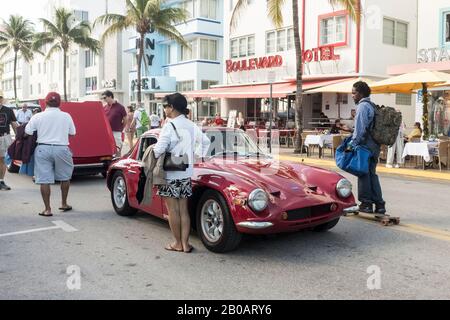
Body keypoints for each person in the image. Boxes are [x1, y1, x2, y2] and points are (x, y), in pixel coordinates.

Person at [153, 93, 210, 253]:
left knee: (173, 211)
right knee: (183, 210)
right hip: (185, 172)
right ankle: (186, 244)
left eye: (165, 106)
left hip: (170, 173)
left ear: (171, 108)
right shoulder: (191, 125)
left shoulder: (169, 126)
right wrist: (195, 156)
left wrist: (153, 151)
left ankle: (177, 243)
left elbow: (159, 150)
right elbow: (206, 141)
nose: (164, 109)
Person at [25, 92, 76, 217]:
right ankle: (64, 203)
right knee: (65, 177)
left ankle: (47, 209)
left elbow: (28, 131)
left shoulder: (38, 116)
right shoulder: (66, 116)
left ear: (46, 102)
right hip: (62, 148)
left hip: (43, 148)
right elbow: (73, 133)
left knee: (44, 180)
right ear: (59, 103)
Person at [351, 81, 386, 214]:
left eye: (354, 93)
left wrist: (352, 145)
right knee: (372, 174)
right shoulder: (372, 105)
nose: (352, 95)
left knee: (363, 174)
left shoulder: (362, 107)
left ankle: (366, 203)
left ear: (360, 93)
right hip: (374, 146)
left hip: (365, 146)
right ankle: (380, 204)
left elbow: (360, 130)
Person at [0, 96, 19, 190]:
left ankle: (1, 182)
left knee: (2, 159)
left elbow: (14, 124)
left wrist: (18, 136)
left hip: (3, 137)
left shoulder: (8, 110)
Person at [102, 90, 127, 157]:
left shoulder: (120, 107)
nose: (104, 100)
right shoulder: (104, 107)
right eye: (103, 98)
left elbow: (125, 119)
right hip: (107, 132)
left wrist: (121, 128)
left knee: (117, 150)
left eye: (105, 98)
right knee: (108, 151)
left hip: (116, 132)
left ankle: (117, 164)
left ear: (110, 96)